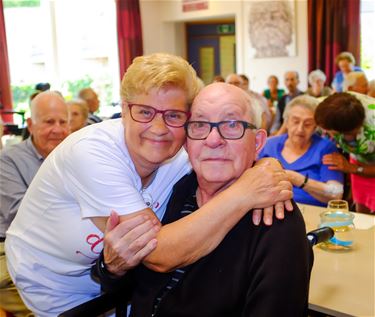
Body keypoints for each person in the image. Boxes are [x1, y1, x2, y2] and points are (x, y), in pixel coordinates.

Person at [5, 53, 292, 316]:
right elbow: (158, 255)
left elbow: (223, 153)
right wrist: (245, 192)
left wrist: (264, 164)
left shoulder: (182, 159)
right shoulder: (91, 152)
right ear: (125, 109)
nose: (158, 128)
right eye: (144, 112)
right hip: (53, 283)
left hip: (118, 289)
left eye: (174, 115)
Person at [98, 83, 312, 317]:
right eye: (199, 125)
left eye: (232, 125)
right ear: (187, 143)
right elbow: (134, 286)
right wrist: (111, 268)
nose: (213, 140)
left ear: (258, 143)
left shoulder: (276, 219)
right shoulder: (176, 190)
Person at [0, 91, 69, 317]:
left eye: (63, 122)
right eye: (49, 122)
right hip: (11, 247)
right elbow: (20, 215)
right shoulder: (8, 160)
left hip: (65, 248)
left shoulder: (74, 154)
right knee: (47, 306)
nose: (57, 129)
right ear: (30, 124)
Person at [259, 95, 344, 206]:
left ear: (315, 126)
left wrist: (297, 179)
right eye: (295, 121)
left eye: (308, 124)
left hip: (313, 213)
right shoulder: (269, 144)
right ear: (287, 122)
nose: (300, 129)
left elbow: (336, 194)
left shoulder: (326, 148)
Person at [315, 92, 375, 213]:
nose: (323, 131)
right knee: (362, 210)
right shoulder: (332, 105)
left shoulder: (371, 130)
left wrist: (352, 168)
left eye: (328, 130)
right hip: (357, 159)